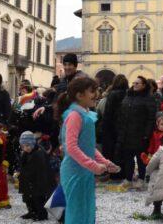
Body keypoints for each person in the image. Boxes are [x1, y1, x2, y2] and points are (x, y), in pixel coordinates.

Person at [58, 77, 120, 224]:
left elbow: (87, 146)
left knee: (87, 210)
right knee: (77, 213)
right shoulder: (74, 116)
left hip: (84, 170)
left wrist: (105, 162)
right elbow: (71, 147)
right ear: (80, 95)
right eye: (92, 91)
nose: (96, 94)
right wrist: (93, 165)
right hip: (74, 171)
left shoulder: (84, 114)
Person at [116, 75, 157, 188]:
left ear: (144, 85)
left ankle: (141, 179)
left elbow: (151, 118)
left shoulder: (149, 98)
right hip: (127, 132)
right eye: (134, 83)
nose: (134, 85)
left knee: (141, 157)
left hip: (141, 133)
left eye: (137, 83)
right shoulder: (127, 96)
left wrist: (147, 134)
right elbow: (122, 114)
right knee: (128, 158)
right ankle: (128, 179)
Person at [18, 131, 52, 221]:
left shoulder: (39, 153)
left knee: (38, 198)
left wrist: (28, 174)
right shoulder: (25, 153)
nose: (26, 148)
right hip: (28, 181)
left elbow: (41, 169)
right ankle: (32, 211)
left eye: (28, 145)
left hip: (37, 181)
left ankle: (41, 214)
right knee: (28, 198)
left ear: (33, 144)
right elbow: (23, 165)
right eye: (23, 146)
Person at [100, 74, 128, 176]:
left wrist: (104, 127)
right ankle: (123, 172)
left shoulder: (112, 94)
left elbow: (108, 113)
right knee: (123, 150)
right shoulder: (128, 94)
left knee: (111, 150)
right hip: (125, 127)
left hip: (112, 127)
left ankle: (113, 173)